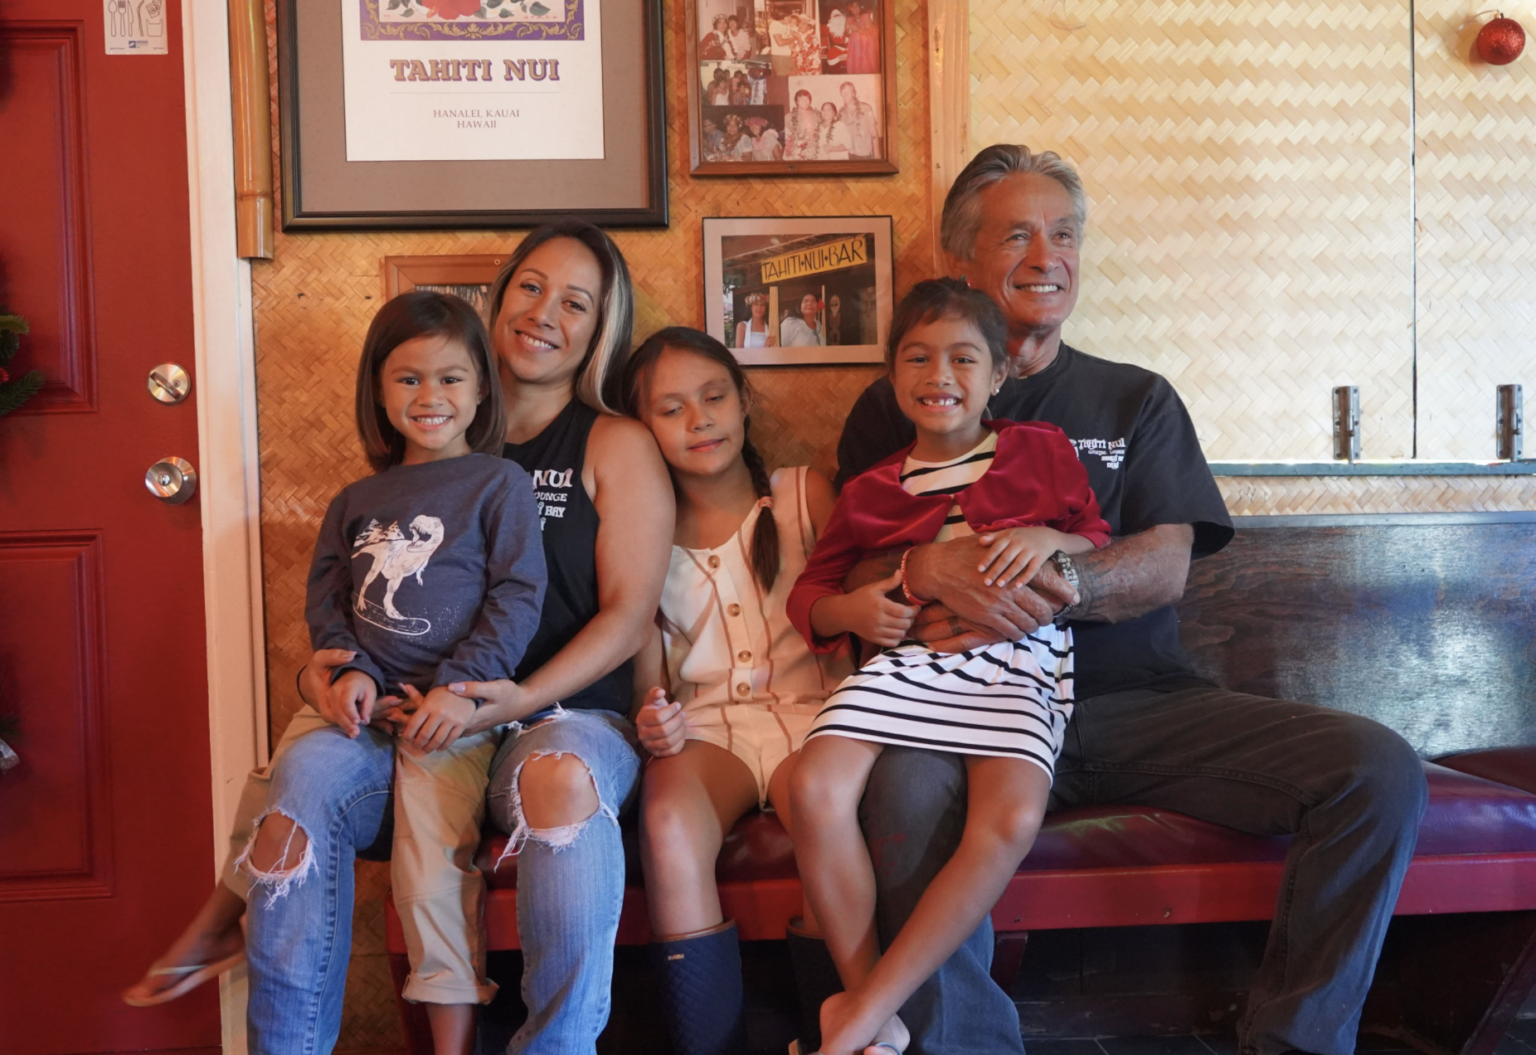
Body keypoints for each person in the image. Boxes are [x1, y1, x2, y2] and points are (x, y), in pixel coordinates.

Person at [830, 145, 1428, 1055]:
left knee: (1376, 768)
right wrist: (919, 571)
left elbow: (1167, 564)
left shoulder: (1136, 397)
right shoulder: (898, 400)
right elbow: (849, 576)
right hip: (971, 705)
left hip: (1137, 701)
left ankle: (1294, 1041)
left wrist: (1058, 586)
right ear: (962, 262)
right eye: (1018, 234)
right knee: (903, 790)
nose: (1047, 255)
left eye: (1064, 233)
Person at [124, 222, 676, 1055]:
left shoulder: (612, 441)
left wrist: (515, 698)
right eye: (530, 287)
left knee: (560, 779)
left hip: (550, 720)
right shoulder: (431, 434)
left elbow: (629, 615)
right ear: (496, 301)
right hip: (411, 724)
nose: (545, 313)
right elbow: (361, 600)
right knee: (306, 770)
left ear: (600, 327)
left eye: (576, 302)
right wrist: (330, 671)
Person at [789, 279, 1111, 1055]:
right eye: (918, 358)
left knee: (1010, 819)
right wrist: (855, 611)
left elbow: (1096, 540)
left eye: (964, 358)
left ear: (999, 373)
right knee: (810, 786)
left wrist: (1045, 538)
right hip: (908, 664)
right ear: (893, 377)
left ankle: (861, 1012)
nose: (941, 375)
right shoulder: (868, 491)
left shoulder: (1043, 449)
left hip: (1018, 657)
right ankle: (871, 1007)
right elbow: (811, 594)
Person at [308, 290, 547, 1052]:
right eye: (407, 378)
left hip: (453, 716)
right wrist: (349, 672)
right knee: (278, 791)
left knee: (427, 865)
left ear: (482, 388)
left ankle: (451, 1039)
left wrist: (459, 685)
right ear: (378, 392)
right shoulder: (355, 500)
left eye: (450, 377)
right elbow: (329, 603)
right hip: (363, 707)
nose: (430, 396)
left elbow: (517, 593)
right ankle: (221, 918)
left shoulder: (498, 483)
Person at [622, 327, 854, 1055]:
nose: (700, 419)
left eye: (714, 396)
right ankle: (707, 1041)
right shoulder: (637, 531)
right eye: (671, 408)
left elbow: (853, 617)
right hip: (709, 729)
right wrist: (651, 718)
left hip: (816, 716)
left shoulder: (802, 494)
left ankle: (838, 1030)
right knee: (666, 822)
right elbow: (647, 681)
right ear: (643, 430)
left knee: (826, 806)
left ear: (744, 401)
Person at [839, 81, 877, 159]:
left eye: (848, 92)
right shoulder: (841, 113)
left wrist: (877, 154)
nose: (845, 95)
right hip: (849, 154)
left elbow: (874, 133)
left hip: (865, 154)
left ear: (853, 93)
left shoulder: (866, 108)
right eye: (843, 93)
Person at [784, 89, 821, 161]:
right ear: (796, 101)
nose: (805, 101)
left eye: (807, 98)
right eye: (801, 99)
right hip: (796, 154)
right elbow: (785, 138)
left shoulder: (816, 115)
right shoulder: (789, 117)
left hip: (814, 153)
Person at [847, 0, 879, 73]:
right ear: (850, 8)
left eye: (857, 6)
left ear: (860, 7)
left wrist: (858, 30)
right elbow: (846, 34)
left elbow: (870, 32)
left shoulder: (865, 16)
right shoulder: (848, 19)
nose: (855, 8)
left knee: (865, 67)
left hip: (865, 46)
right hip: (854, 46)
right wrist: (847, 31)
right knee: (855, 66)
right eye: (853, 6)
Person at [791, 11, 823, 75]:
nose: (800, 26)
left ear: (809, 27)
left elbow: (803, 50)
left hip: (811, 70)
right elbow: (793, 48)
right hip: (801, 68)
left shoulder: (812, 37)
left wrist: (798, 37)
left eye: (804, 24)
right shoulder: (801, 34)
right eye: (799, 23)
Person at [767, 5, 795, 76]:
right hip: (780, 57)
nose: (790, 19)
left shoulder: (784, 25)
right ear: (783, 16)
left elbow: (789, 43)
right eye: (788, 17)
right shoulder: (775, 24)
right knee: (783, 81)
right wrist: (795, 38)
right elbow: (780, 42)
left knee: (792, 79)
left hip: (787, 56)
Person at [822, 8, 850, 74]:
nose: (838, 19)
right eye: (835, 17)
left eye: (839, 17)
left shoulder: (846, 27)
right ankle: (835, 71)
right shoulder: (830, 28)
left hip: (848, 48)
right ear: (832, 20)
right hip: (838, 49)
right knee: (831, 53)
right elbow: (821, 28)